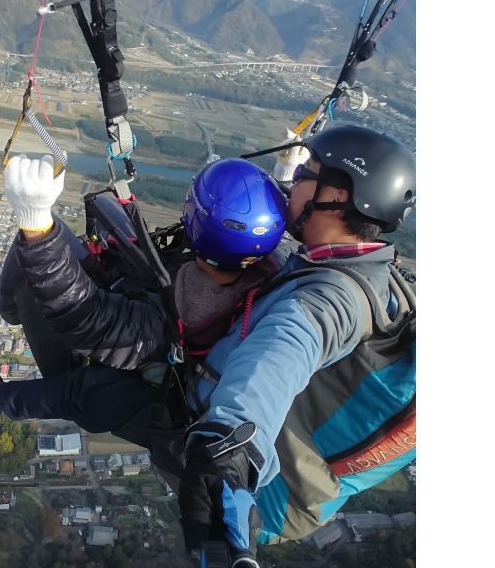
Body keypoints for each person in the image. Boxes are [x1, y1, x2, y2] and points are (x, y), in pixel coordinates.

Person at [174, 124, 416, 560]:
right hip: (280, 467)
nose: (294, 179)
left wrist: (230, 447)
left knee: (94, 390)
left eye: (308, 172)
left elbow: (285, 349)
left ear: (338, 197)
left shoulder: (332, 300)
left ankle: (6, 393)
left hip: (254, 484)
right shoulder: (355, 266)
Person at [0, 154, 291, 440]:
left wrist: (35, 223)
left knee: (81, 391)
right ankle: (11, 303)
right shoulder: (264, 266)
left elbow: (83, 317)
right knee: (50, 243)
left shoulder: (183, 312)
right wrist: (284, 174)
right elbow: (255, 224)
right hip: (134, 303)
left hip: (127, 375)